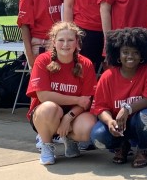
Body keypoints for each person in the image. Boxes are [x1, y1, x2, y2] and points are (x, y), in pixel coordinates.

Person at [88, 27, 147, 168]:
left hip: (137, 122)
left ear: (142, 55)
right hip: (117, 124)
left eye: (135, 52)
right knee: (98, 138)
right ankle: (121, 146)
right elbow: (100, 107)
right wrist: (110, 122)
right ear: (118, 54)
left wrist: (127, 108)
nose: (130, 56)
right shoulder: (107, 76)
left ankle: (142, 149)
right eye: (125, 52)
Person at [27, 21, 97, 166]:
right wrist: (77, 100)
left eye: (70, 40)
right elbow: (43, 96)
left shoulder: (86, 64)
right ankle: (47, 145)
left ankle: (70, 139)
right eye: (61, 40)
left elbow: (86, 101)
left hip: (73, 114)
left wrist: (68, 118)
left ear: (77, 42)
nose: (66, 44)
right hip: (46, 114)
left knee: (89, 125)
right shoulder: (43, 60)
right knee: (49, 107)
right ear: (53, 41)